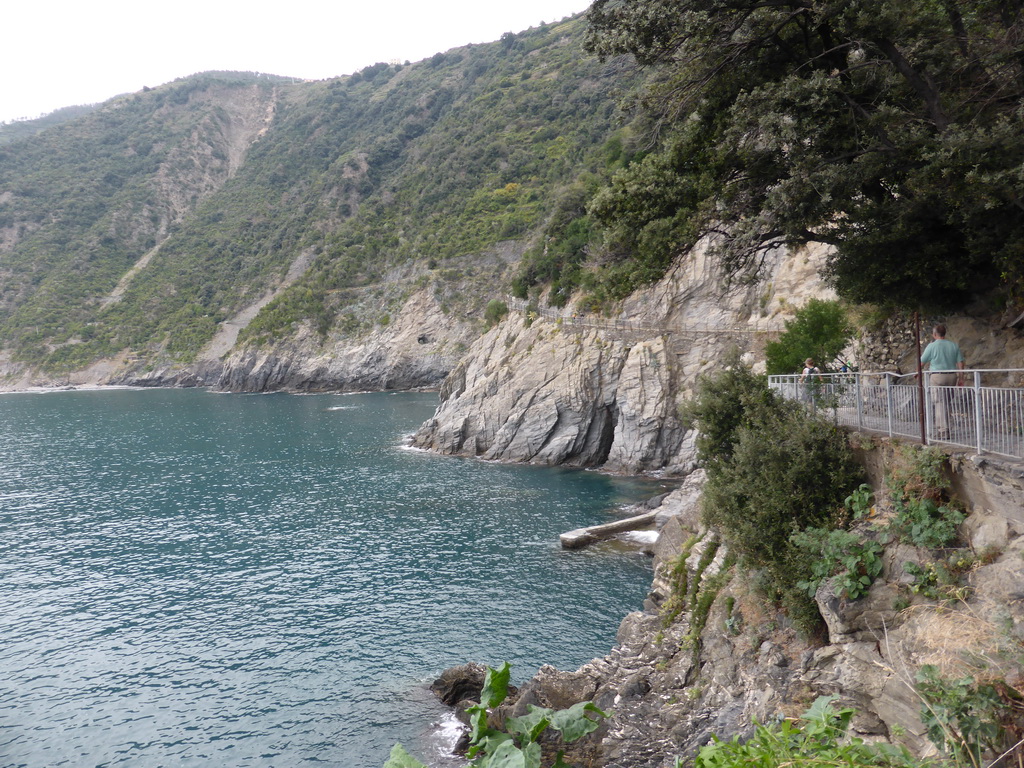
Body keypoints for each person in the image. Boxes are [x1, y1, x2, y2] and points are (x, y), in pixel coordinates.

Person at [920, 324, 965, 438]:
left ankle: (944, 431)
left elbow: (922, 362)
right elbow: (960, 362)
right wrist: (961, 377)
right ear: (944, 334)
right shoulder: (953, 345)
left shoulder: (932, 346)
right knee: (946, 402)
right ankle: (945, 428)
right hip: (952, 376)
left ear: (934, 335)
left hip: (937, 377)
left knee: (940, 403)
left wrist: (917, 372)